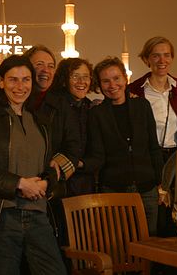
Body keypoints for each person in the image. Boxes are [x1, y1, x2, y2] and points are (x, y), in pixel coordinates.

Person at [0, 55, 66, 275]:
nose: (20, 87)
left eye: (26, 79)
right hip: (1, 217)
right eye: (13, 80)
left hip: (38, 214)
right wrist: (19, 184)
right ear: (1, 82)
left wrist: (47, 182)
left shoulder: (40, 120)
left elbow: (48, 164)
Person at [83, 57, 163, 235]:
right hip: (114, 188)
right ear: (99, 84)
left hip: (147, 189)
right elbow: (98, 154)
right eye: (106, 81)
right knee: (118, 241)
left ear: (125, 78)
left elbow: (153, 147)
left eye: (116, 78)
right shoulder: (97, 114)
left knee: (149, 243)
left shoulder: (142, 106)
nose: (112, 85)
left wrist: (160, 183)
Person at [23, 45, 80, 181]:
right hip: (16, 182)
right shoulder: (15, 102)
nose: (45, 70)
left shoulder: (61, 105)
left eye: (51, 66)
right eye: (39, 65)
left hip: (48, 184)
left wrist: (53, 174)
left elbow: (73, 148)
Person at [128, 36, 177, 160]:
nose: (162, 60)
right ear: (146, 60)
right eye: (156, 56)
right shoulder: (134, 90)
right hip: (146, 156)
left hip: (175, 156)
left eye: (167, 55)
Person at [49, 57, 97, 195]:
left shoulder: (90, 108)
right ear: (64, 79)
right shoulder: (53, 106)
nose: (81, 82)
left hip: (85, 183)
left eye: (85, 77)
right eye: (75, 76)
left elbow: (98, 153)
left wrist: (79, 164)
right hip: (58, 182)